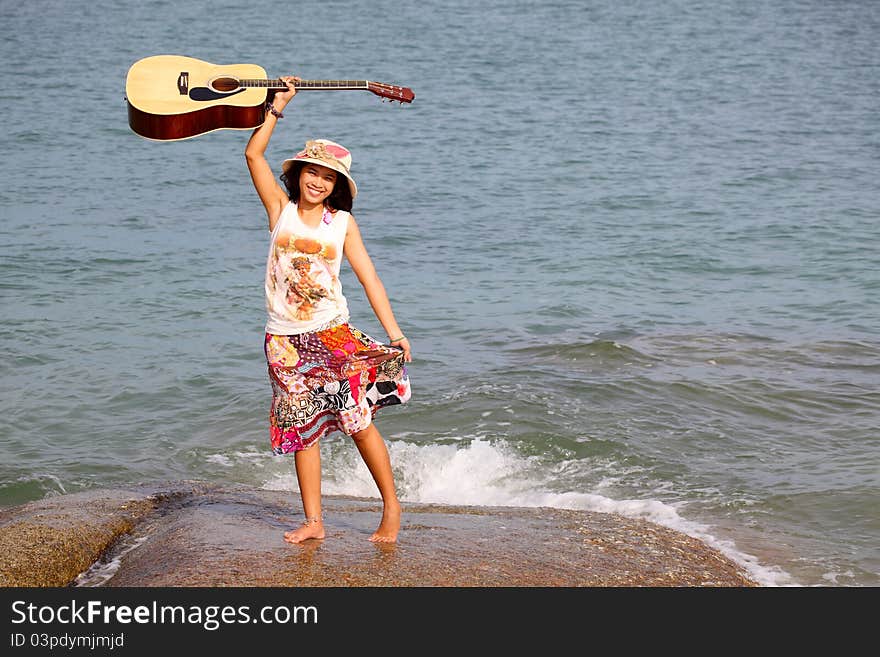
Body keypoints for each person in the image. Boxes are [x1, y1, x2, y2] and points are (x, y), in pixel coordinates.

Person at [245, 76, 412, 544]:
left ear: (336, 185)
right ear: (298, 173)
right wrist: (278, 106)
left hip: (331, 334)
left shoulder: (342, 224)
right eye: (311, 172)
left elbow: (369, 278)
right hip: (283, 340)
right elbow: (252, 155)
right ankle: (314, 522)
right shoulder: (279, 210)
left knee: (358, 423)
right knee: (302, 430)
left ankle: (392, 508)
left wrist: (394, 333)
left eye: (327, 176)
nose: (317, 181)